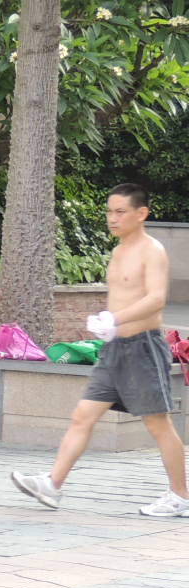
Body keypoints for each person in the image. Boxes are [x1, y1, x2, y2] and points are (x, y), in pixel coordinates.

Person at [11, 184, 189, 517]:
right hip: (113, 349)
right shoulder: (119, 251)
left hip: (143, 349)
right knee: (83, 415)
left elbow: (155, 299)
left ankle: (180, 496)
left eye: (120, 211)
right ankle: (53, 484)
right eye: (109, 211)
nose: (113, 218)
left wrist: (116, 317)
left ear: (142, 213)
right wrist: (105, 323)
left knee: (158, 424)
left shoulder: (153, 251)